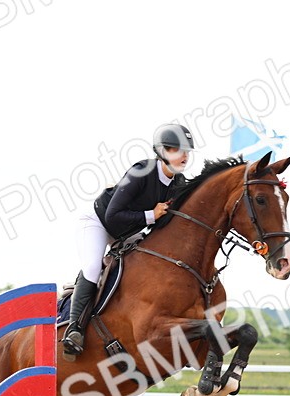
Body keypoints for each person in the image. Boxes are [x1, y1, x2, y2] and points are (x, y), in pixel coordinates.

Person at [61, 123, 195, 357]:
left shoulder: (178, 184)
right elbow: (113, 216)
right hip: (100, 223)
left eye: (187, 151)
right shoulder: (141, 172)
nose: (184, 155)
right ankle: (75, 330)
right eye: (177, 149)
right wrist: (151, 215)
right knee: (93, 266)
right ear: (162, 151)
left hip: (128, 231)